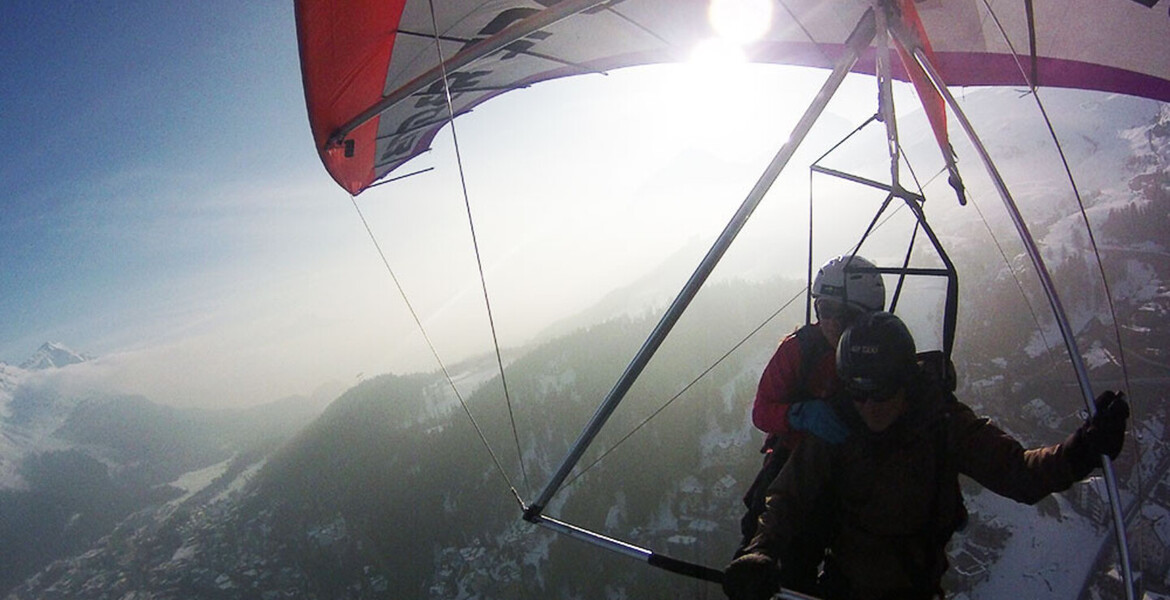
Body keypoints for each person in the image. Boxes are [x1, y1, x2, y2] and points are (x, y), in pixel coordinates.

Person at [724, 311, 1130, 600]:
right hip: (843, 587)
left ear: (905, 379)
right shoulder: (839, 424)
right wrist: (762, 548)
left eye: (880, 391)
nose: (869, 405)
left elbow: (1017, 473)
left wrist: (1080, 452)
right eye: (857, 391)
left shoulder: (941, 423)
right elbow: (788, 497)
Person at [735, 255, 885, 589]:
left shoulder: (882, 352)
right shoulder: (799, 350)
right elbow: (762, 411)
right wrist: (798, 414)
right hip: (792, 462)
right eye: (823, 309)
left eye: (840, 312)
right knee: (758, 544)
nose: (830, 321)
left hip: (853, 468)